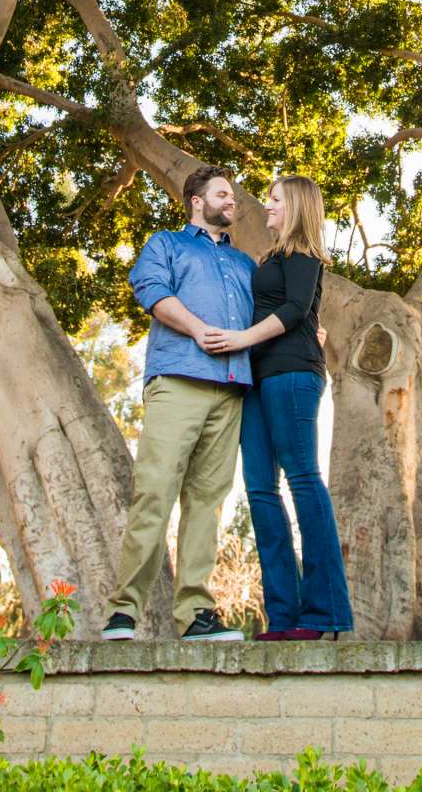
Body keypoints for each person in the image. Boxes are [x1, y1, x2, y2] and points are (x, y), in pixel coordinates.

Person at [101, 165, 254, 642]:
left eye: (233, 196)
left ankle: (196, 616)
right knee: (155, 491)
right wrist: (195, 328)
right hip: (179, 379)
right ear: (196, 199)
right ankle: (124, 611)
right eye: (223, 194)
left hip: (231, 389)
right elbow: (151, 291)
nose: (233, 202)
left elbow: (268, 316)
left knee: (208, 504)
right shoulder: (166, 244)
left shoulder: (246, 264)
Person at [204, 174, 353, 640]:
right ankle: (283, 617)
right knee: (261, 492)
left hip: (291, 375)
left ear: (297, 208)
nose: (265, 206)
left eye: (274, 200)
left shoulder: (304, 253)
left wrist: (243, 339)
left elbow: (294, 309)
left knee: (303, 480)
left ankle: (323, 614)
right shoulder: (269, 257)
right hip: (255, 381)